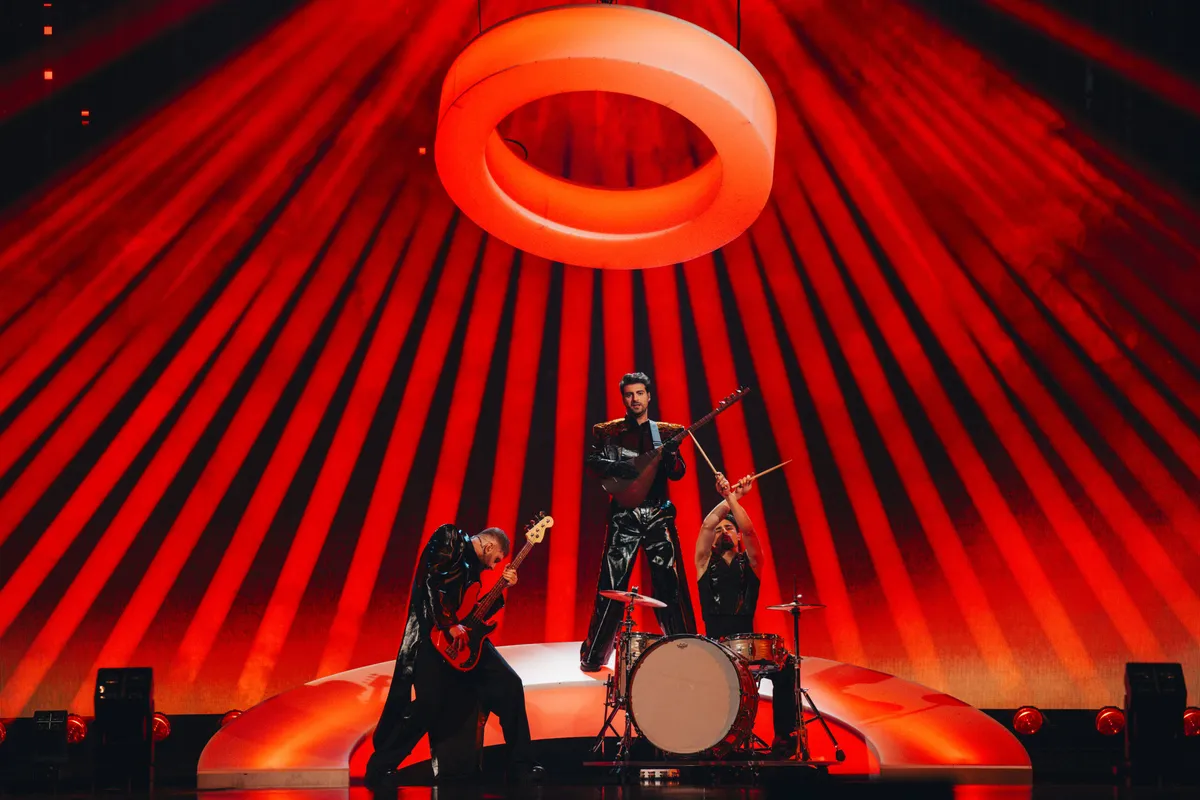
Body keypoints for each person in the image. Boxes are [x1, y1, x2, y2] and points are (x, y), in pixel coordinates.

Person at [365, 524, 543, 787]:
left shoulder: (475, 571)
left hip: (463, 639)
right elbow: (433, 581)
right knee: (428, 705)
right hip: (432, 637)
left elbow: (473, 610)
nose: (494, 566)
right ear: (489, 546)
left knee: (510, 685)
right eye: (496, 560)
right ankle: (380, 768)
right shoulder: (450, 538)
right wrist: (448, 623)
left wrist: (503, 586)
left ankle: (521, 767)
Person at [580, 372, 697, 673]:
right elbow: (592, 464)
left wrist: (671, 455)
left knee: (670, 584)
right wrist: (622, 467)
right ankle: (594, 655)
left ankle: (686, 650)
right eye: (629, 394)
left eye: (640, 393)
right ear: (624, 398)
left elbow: (678, 473)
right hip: (624, 515)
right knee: (612, 585)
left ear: (648, 396)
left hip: (658, 513)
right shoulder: (609, 433)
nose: (635, 399)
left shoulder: (664, 432)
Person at [696, 472, 798, 755]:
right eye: (719, 530)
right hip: (715, 645)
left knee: (787, 666)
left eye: (729, 528)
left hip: (745, 645)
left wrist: (732, 498)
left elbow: (751, 532)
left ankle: (784, 737)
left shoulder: (751, 563)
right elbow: (707, 524)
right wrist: (734, 496)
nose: (723, 532)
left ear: (738, 536)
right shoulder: (704, 563)